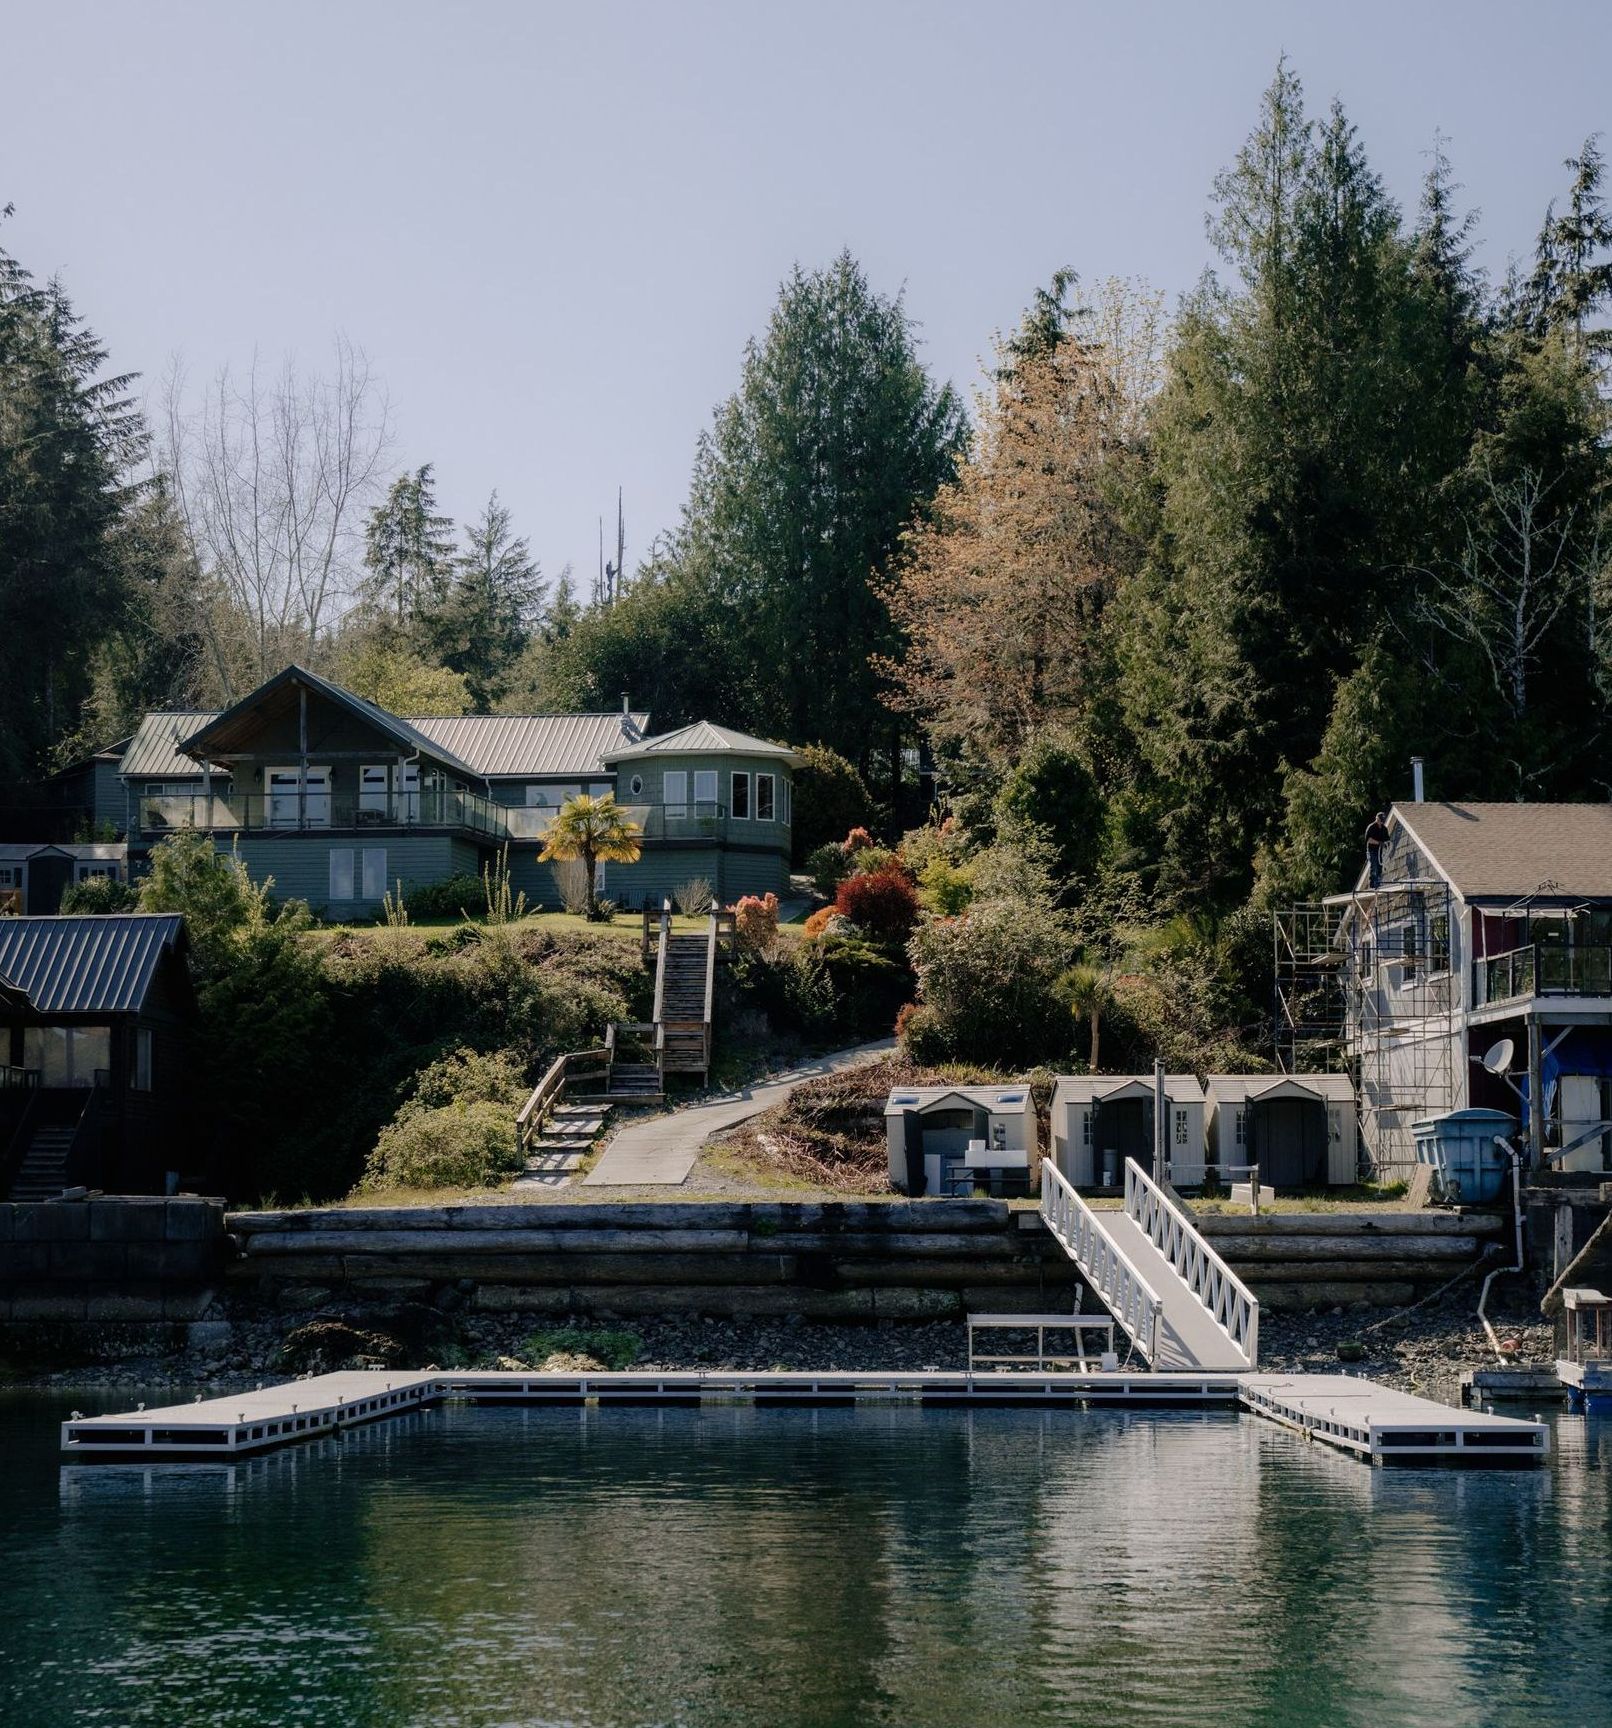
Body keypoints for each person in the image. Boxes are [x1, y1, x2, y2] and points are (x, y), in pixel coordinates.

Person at [1364, 811, 1390, 889]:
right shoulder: (1371, 827)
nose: (1381, 822)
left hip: (1380, 852)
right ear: (1377, 819)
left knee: (1379, 867)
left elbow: (1387, 840)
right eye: (1380, 820)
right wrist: (1379, 843)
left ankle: (1378, 882)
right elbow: (1369, 840)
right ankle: (1373, 885)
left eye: (1382, 820)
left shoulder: (1384, 829)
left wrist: (1386, 845)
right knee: (1374, 866)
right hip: (1372, 851)